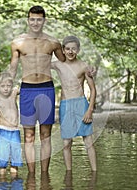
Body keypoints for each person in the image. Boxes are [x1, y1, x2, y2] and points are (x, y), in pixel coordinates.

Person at [9, 5, 66, 173]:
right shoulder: (17, 43)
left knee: (45, 135)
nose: (35, 22)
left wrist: (86, 68)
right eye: (32, 19)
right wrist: (6, 89)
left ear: (44, 20)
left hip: (46, 89)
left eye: (38, 19)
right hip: (26, 90)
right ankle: (32, 177)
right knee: (28, 136)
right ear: (28, 20)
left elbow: (66, 61)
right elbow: (13, 67)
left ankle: (45, 175)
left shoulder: (53, 42)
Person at [51, 35, 97, 172]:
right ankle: (69, 176)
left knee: (88, 142)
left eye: (74, 49)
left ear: (78, 50)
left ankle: (95, 174)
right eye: (68, 49)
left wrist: (89, 110)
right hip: (65, 105)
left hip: (81, 104)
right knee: (66, 143)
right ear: (63, 50)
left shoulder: (83, 66)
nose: (71, 52)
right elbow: (40, 60)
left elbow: (93, 90)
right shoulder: (58, 65)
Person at [0, 71, 23, 175]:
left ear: (12, 85)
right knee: (2, 162)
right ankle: (2, 183)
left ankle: (15, 182)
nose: (6, 88)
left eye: (8, 85)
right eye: (3, 86)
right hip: (3, 131)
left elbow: (24, 87)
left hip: (15, 131)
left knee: (15, 161)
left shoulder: (13, 93)